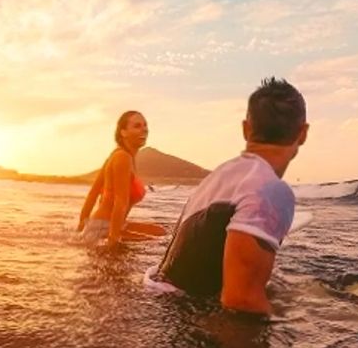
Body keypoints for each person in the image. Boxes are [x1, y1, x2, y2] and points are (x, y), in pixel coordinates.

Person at [149, 77, 308, 315]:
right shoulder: (271, 190)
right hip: (191, 328)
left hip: (164, 310)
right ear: (303, 133)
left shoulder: (218, 177)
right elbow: (240, 301)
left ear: (246, 129)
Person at [78, 110, 160, 246]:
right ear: (123, 132)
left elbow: (93, 193)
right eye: (137, 126)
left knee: (161, 231)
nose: (144, 129)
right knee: (160, 240)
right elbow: (120, 202)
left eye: (145, 125)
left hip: (101, 226)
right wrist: (113, 241)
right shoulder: (122, 157)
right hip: (103, 229)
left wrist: (81, 228)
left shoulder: (119, 156)